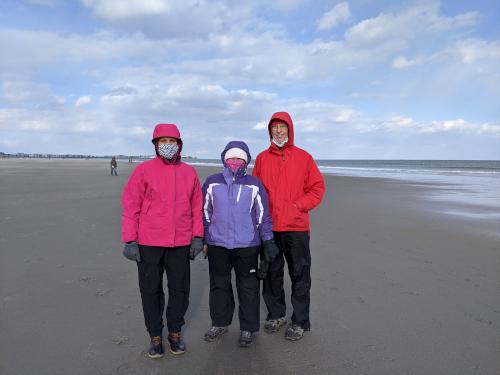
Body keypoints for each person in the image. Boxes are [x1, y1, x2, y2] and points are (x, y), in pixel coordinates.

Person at [121, 123, 204, 359]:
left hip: (180, 243)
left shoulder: (189, 172)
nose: (167, 145)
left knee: (180, 290)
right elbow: (131, 205)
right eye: (162, 141)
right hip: (149, 243)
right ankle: (155, 336)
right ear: (156, 145)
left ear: (179, 144)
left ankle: (175, 333)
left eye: (172, 141)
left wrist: (198, 237)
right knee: (150, 291)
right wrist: (130, 240)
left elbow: (197, 207)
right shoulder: (144, 171)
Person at [253, 111, 325, 341]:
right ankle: (276, 314)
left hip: (296, 227)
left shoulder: (304, 157)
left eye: (283, 127)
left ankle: (301, 320)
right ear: (270, 131)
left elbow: (317, 188)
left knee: (300, 275)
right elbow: (255, 192)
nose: (279, 131)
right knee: (272, 274)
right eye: (274, 127)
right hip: (270, 228)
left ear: (290, 130)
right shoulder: (262, 158)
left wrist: (298, 206)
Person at [202, 141, 278, 347]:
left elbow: (263, 215)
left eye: (239, 158)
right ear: (224, 160)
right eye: (231, 158)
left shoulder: (254, 184)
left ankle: (247, 328)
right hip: (218, 244)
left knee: (248, 287)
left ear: (246, 161)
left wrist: (268, 240)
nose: (235, 162)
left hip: (247, 245)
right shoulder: (211, 182)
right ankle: (219, 323)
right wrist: (206, 239)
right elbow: (205, 213)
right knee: (219, 285)